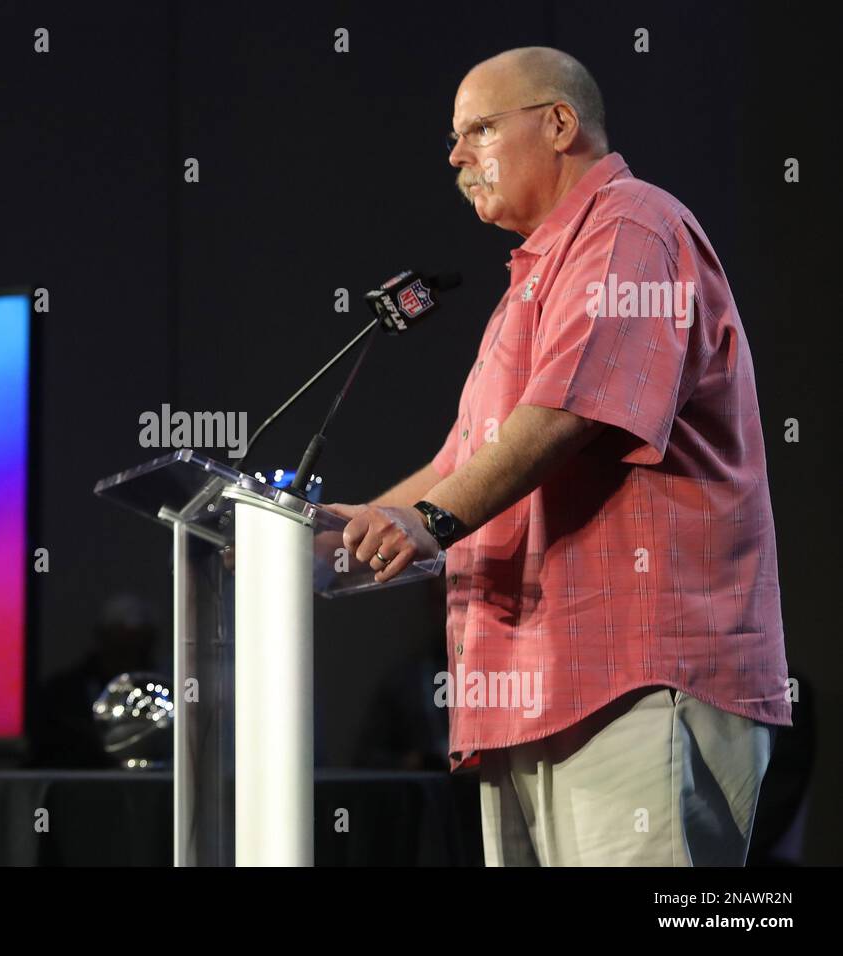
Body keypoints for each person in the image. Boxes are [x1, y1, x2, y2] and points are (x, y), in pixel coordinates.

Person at [328, 46, 791, 866]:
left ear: (559, 123)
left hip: (636, 679)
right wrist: (332, 538)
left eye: (478, 129)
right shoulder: (533, 277)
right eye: (452, 137)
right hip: (531, 686)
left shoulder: (631, 226)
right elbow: (465, 459)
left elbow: (571, 415)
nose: (456, 156)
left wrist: (427, 522)